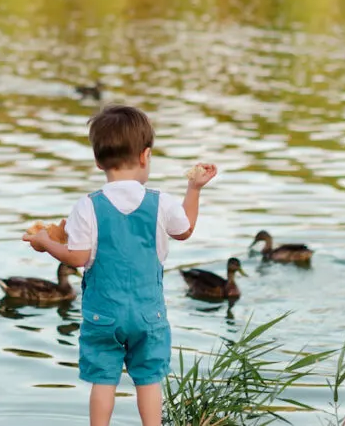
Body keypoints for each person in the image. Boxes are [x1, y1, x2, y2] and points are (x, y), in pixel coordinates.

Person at [23, 105, 217, 426]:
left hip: (104, 314)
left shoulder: (88, 205)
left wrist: (45, 243)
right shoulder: (162, 203)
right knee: (148, 380)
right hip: (147, 313)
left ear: (98, 161)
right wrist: (193, 189)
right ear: (146, 156)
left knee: (103, 380)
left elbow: (77, 257)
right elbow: (185, 230)